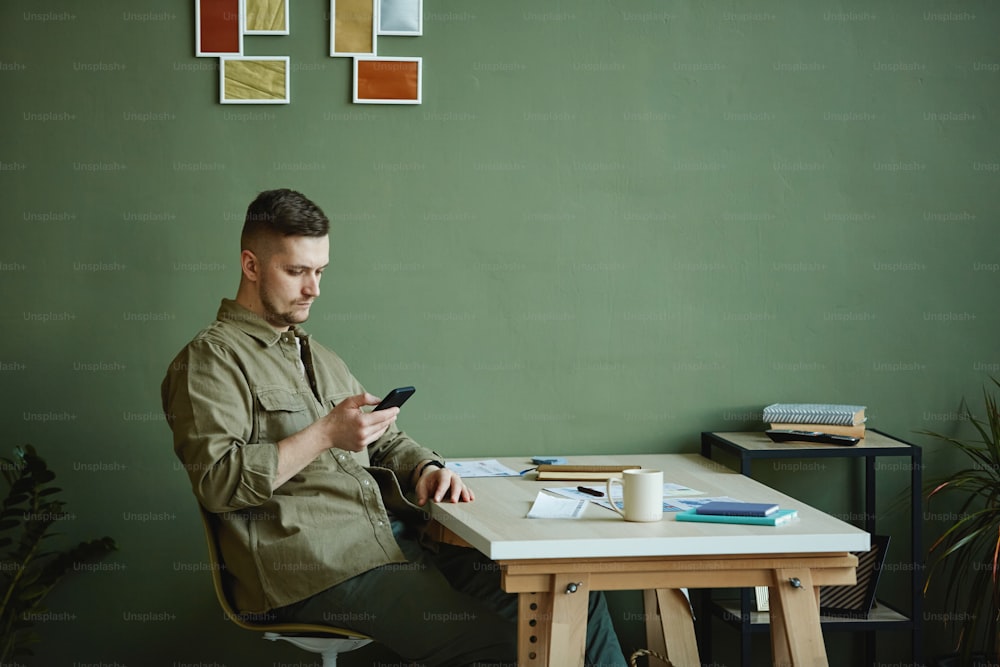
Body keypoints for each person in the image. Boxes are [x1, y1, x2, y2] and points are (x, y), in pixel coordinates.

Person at [161, 189, 627, 666]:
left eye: (320, 271)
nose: (313, 289)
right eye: (296, 271)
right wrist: (323, 434)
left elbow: (383, 439)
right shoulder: (208, 360)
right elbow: (218, 482)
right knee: (505, 650)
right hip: (316, 569)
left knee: (572, 595)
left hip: (393, 543)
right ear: (251, 265)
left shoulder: (316, 355)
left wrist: (424, 467)